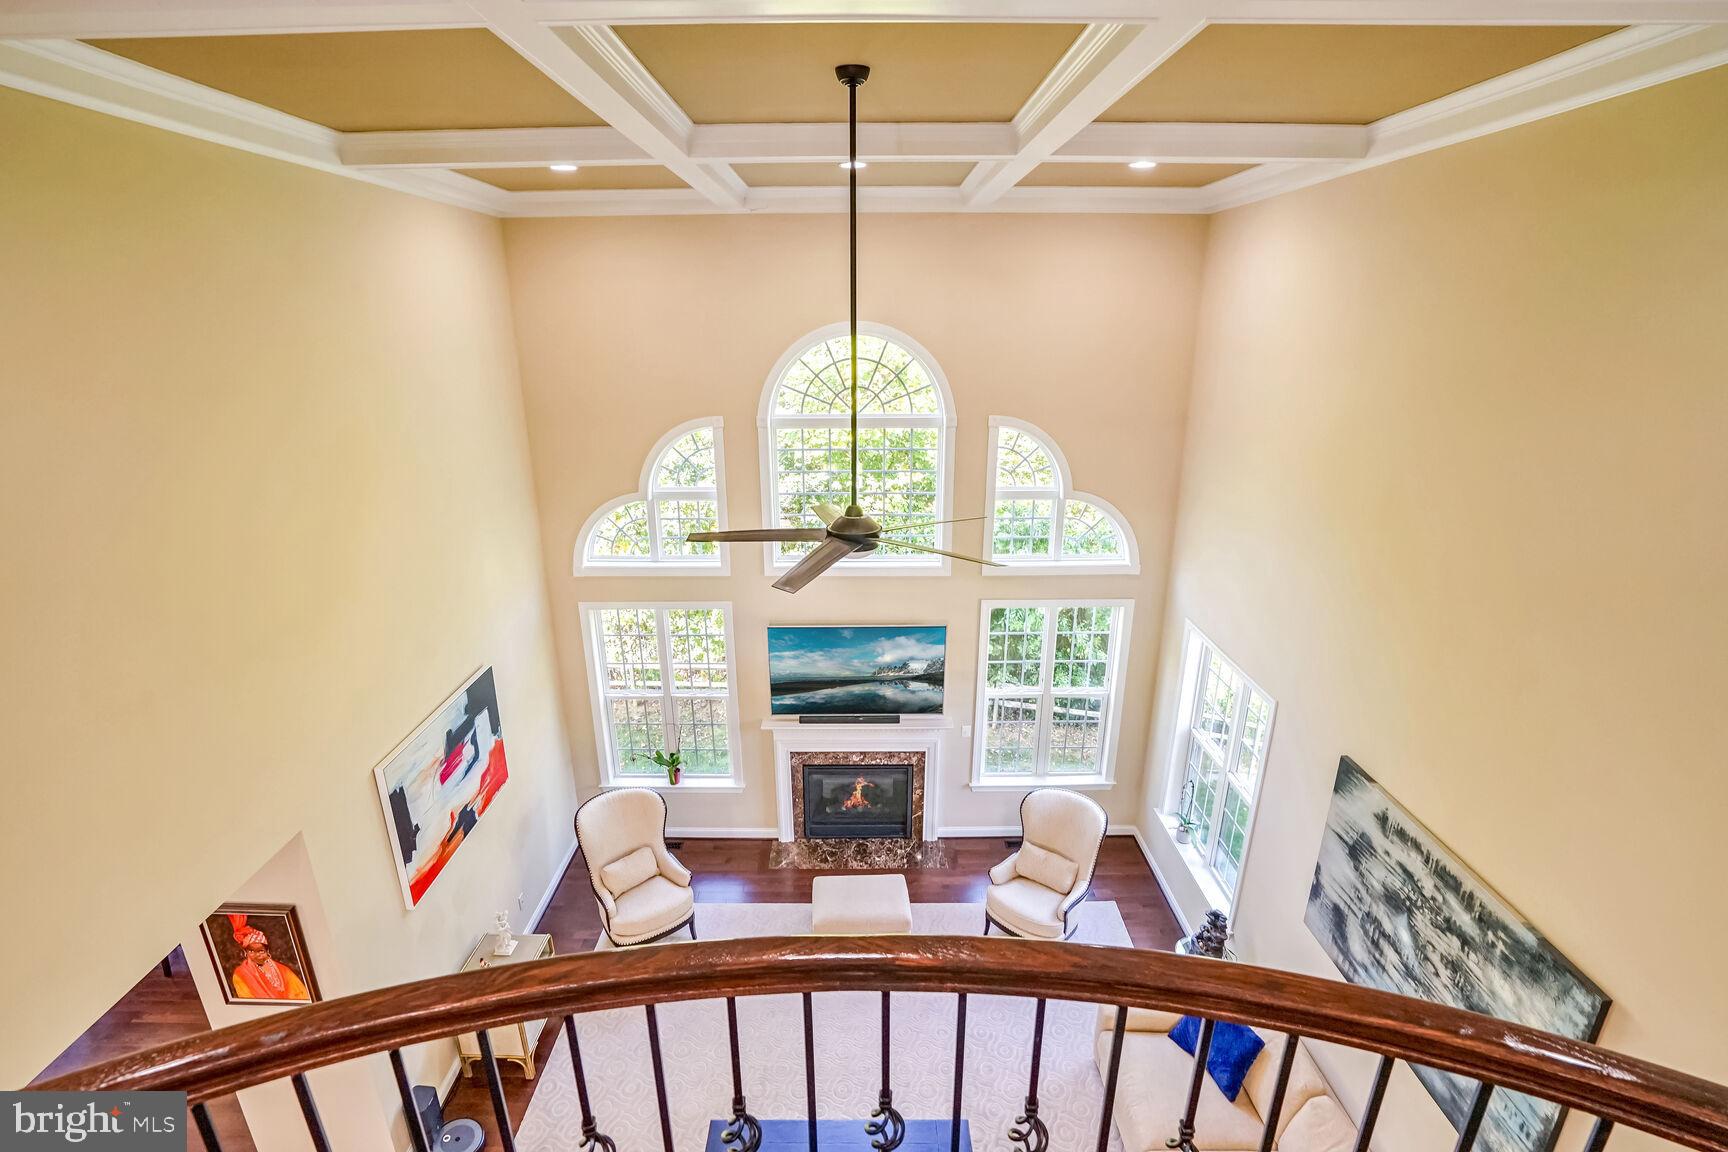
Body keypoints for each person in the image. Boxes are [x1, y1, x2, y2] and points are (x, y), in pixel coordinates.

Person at [227, 914, 311, 1001]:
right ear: (245, 952)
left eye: (261, 951)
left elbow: (303, 996)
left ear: (267, 951)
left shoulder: (283, 970)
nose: (257, 955)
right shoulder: (241, 974)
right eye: (251, 951)